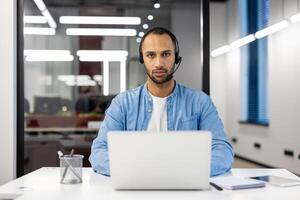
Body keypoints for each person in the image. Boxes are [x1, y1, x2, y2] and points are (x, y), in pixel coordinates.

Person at [89, 27, 234, 177]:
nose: (158, 63)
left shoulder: (200, 102)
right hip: (137, 186)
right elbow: (99, 152)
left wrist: (181, 172)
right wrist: (139, 171)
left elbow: (223, 152)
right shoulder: (122, 103)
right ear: (142, 59)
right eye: (151, 55)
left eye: (166, 54)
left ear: (176, 57)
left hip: (184, 186)